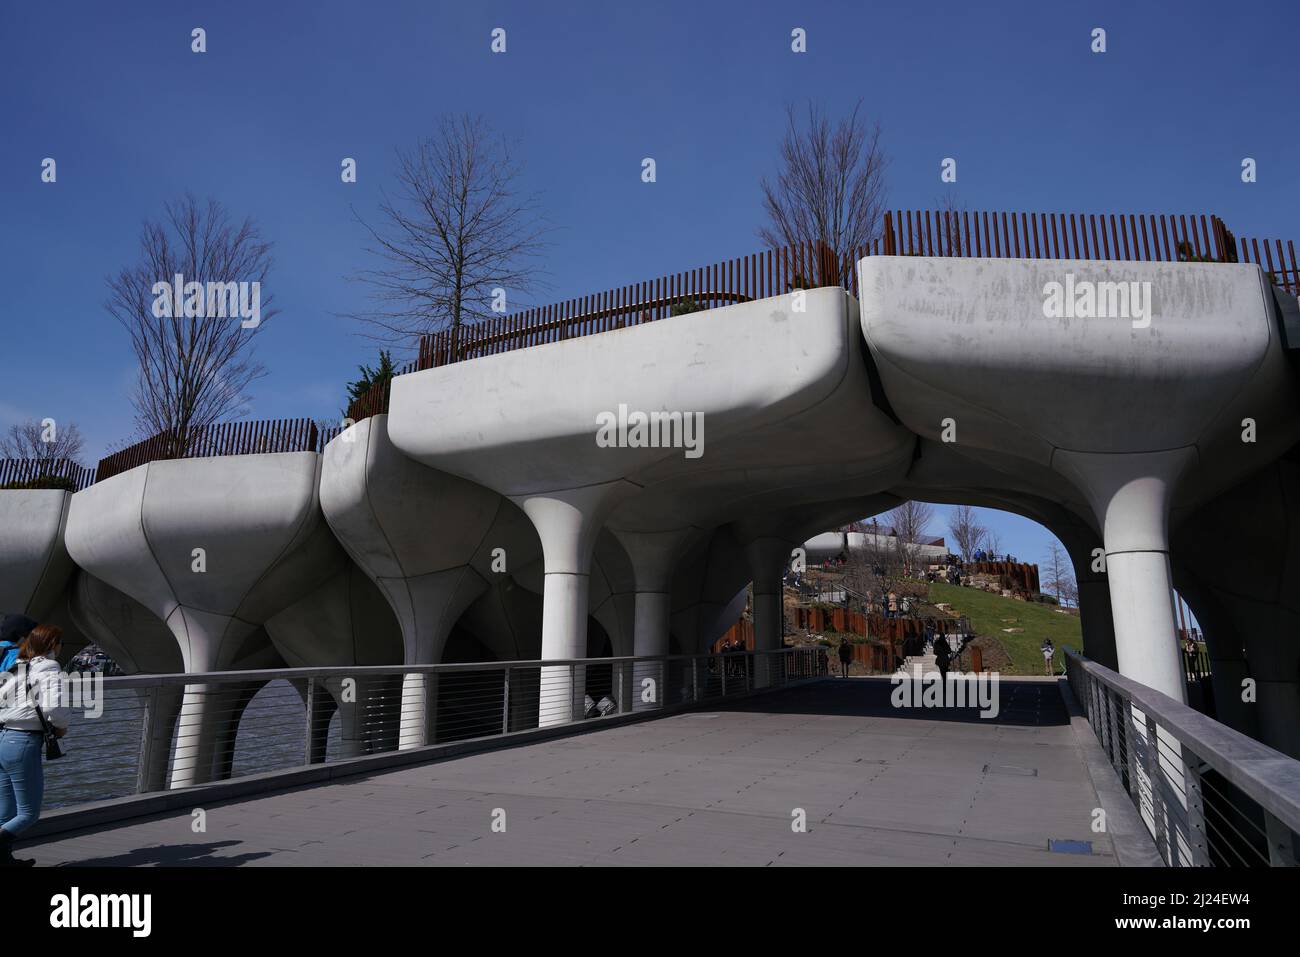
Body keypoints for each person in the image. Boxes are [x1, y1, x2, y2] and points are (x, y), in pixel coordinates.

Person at [0, 624, 69, 867]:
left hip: (3, 739)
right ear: (52, 645)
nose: (61, 647)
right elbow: (53, 708)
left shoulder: (17, 667)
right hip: (23, 742)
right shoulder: (50, 667)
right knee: (28, 814)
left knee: (5, 812)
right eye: (60, 643)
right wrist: (61, 726)